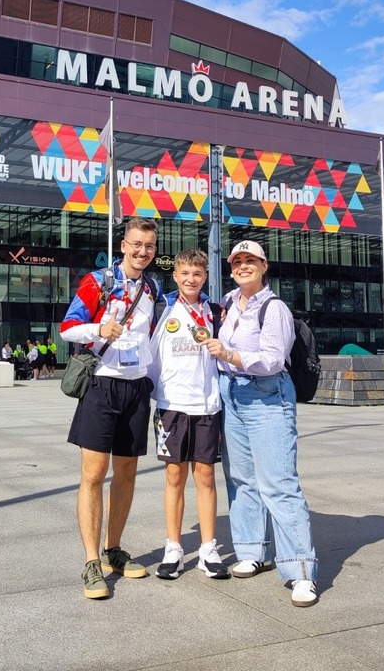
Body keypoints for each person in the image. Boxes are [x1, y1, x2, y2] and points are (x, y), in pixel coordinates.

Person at [200, 239, 318, 607]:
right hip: (232, 394)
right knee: (242, 479)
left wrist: (230, 354)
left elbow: (271, 360)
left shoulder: (274, 308)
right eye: (237, 261)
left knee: (278, 484)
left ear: (264, 266)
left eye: (251, 261)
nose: (243, 266)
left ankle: (300, 572)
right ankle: (252, 550)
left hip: (266, 395)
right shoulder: (229, 305)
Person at [60, 217, 161, 600]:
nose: (142, 252)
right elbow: (67, 327)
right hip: (101, 385)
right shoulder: (99, 281)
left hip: (136, 389)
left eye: (149, 246)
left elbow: (155, 341)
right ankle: (90, 562)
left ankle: (112, 550)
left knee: (128, 473)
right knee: (93, 474)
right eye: (136, 244)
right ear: (123, 245)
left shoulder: (154, 289)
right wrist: (98, 329)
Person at [148, 248, 230, 581]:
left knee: (206, 476)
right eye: (184, 274)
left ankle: (209, 548)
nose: (190, 280)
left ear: (205, 276)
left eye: (197, 274)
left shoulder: (215, 311)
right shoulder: (163, 308)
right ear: (175, 275)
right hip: (171, 405)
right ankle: (174, 548)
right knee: (173, 476)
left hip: (207, 405)